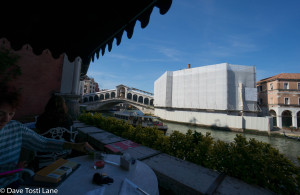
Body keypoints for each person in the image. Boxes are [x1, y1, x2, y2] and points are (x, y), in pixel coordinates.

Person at [0, 84, 94, 190]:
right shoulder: (68, 118)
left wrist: (74, 145)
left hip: (12, 183)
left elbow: (42, 142)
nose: (6, 119)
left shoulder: (16, 127)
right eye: (1, 113)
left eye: (11, 114)